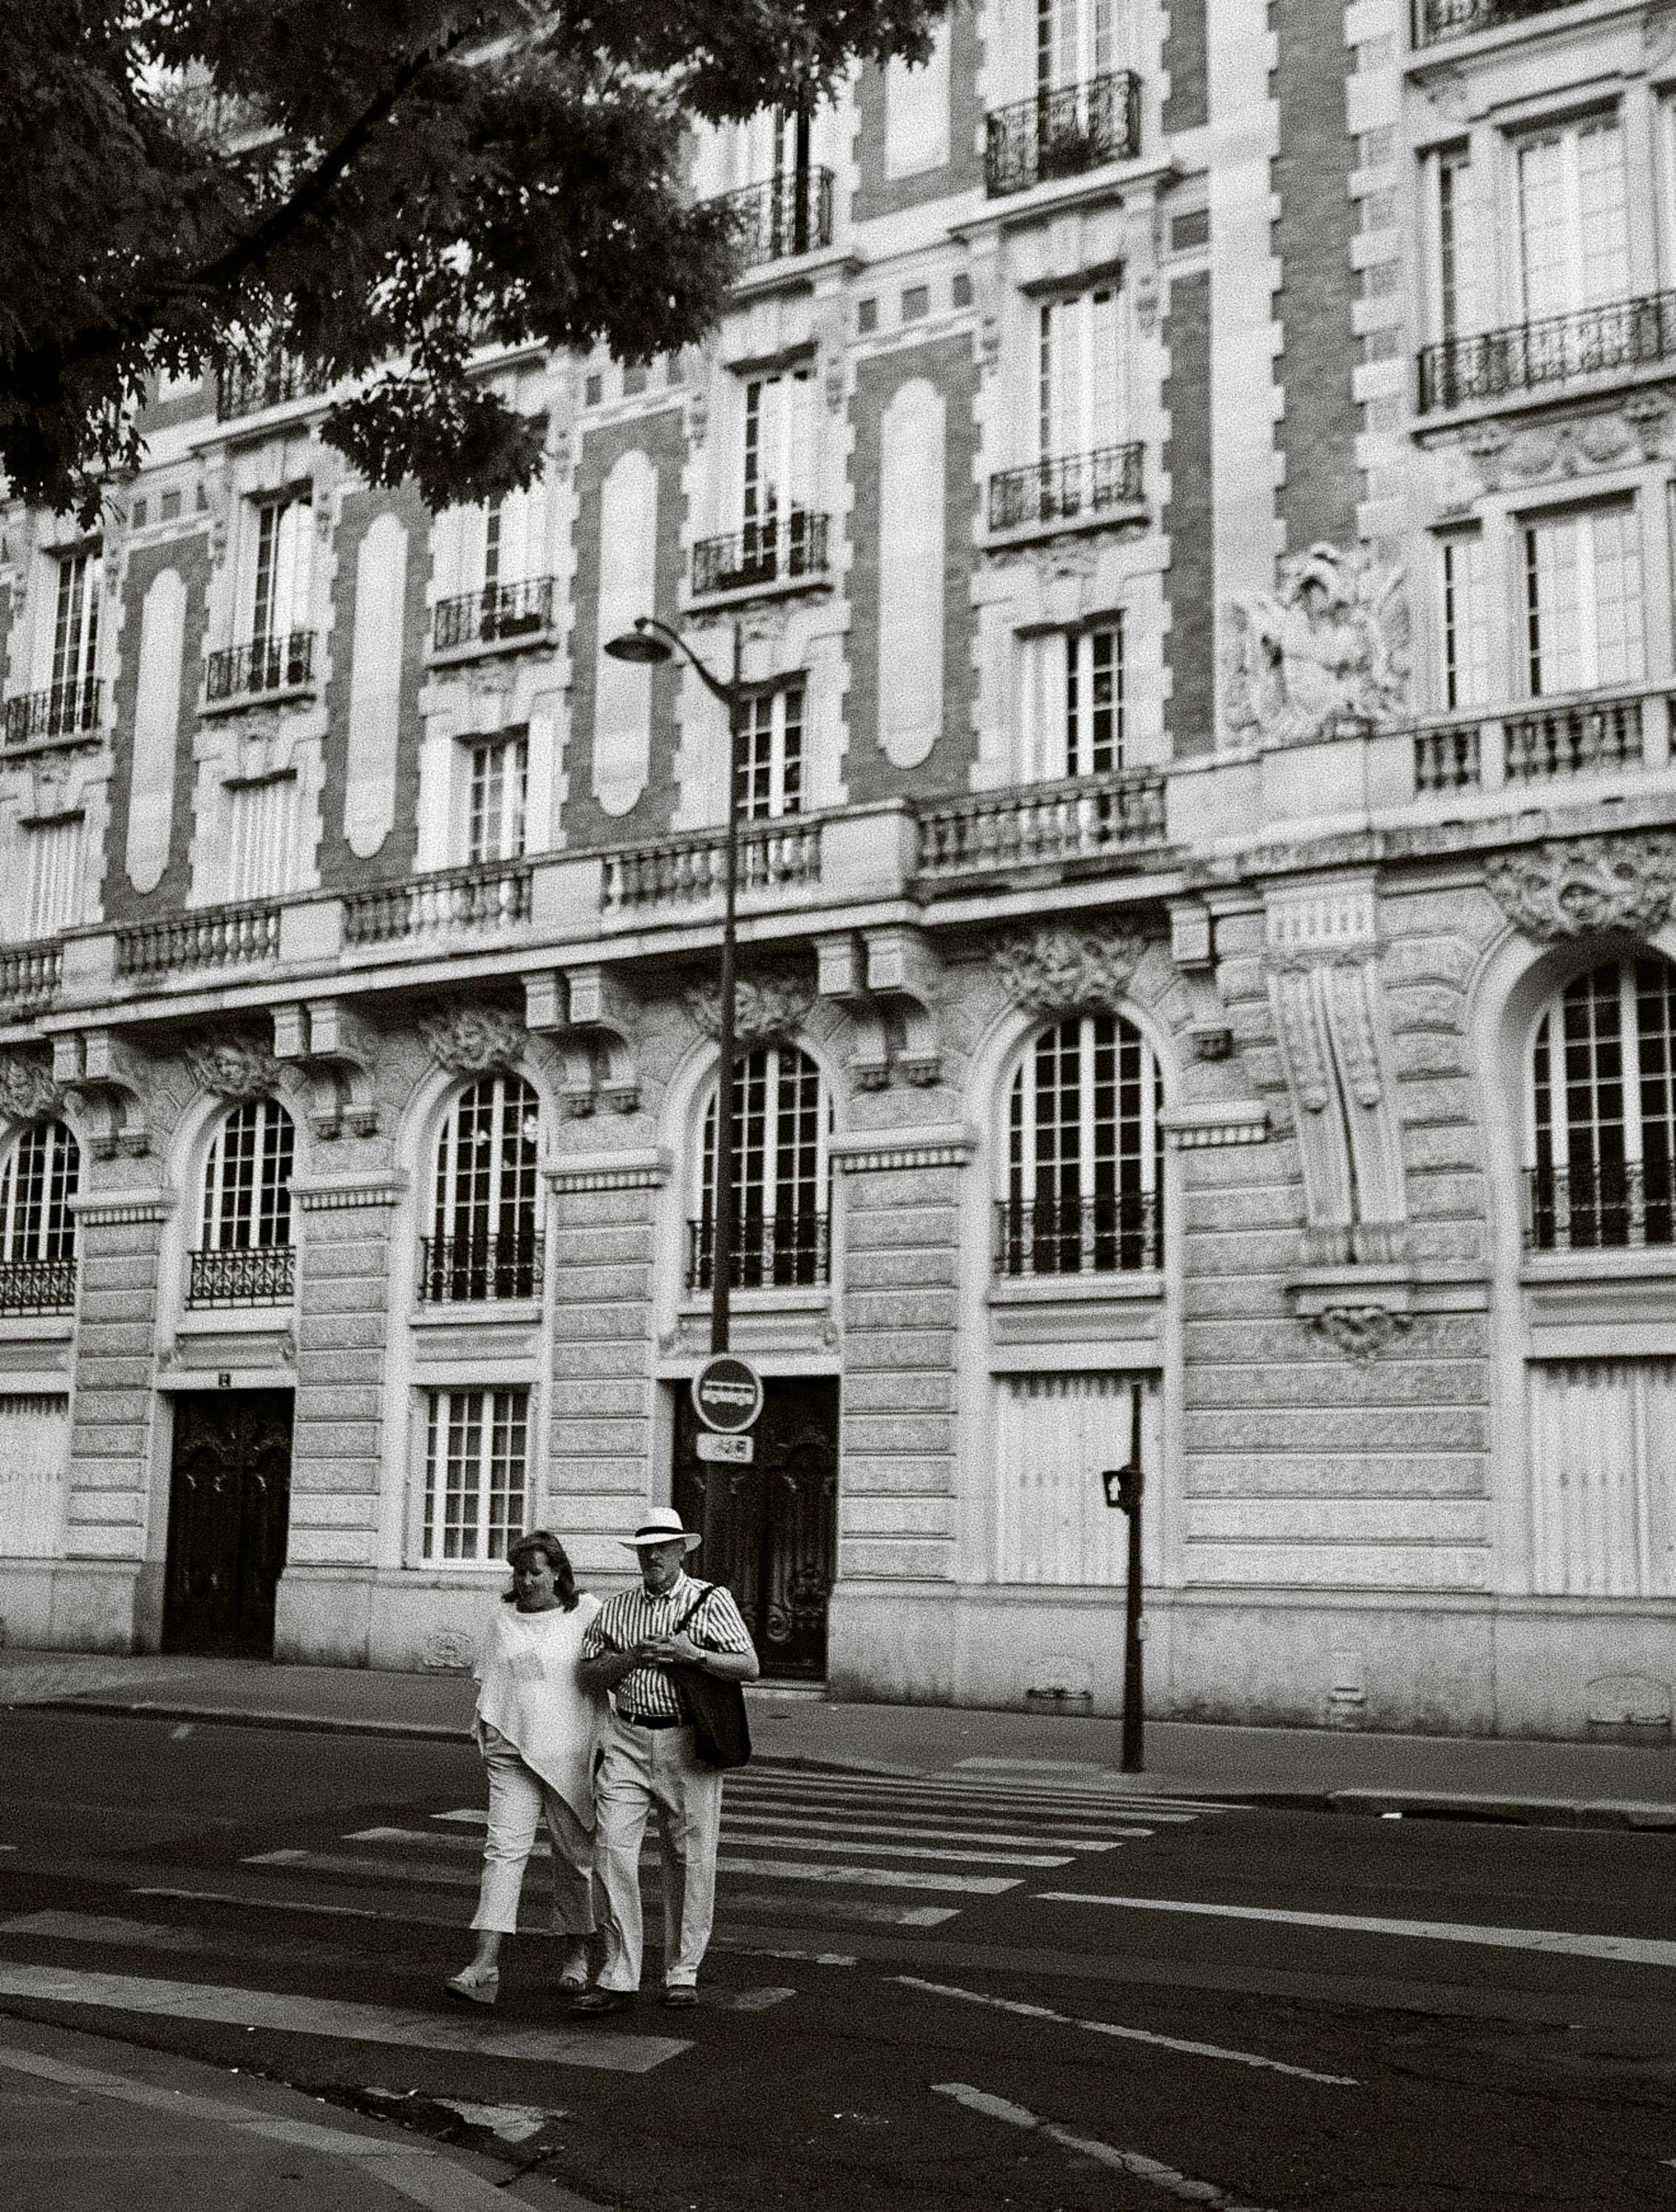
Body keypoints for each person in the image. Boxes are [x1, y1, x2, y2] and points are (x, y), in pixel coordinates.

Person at [572, 1506, 758, 2014]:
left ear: (681, 1551)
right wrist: (629, 1657)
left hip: (687, 1741)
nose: (653, 1557)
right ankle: (619, 1973)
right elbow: (588, 1674)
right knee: (610, 1851)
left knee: (690, 1858)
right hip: (627, 1737)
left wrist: (690, 1654)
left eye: (662, 1548)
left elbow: (748, 1665)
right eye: (645, 1549)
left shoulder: (710, 1600)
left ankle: (682, 1970)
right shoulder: (616, 1608)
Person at [444, 1530, 603, 2007]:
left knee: (573, 1858)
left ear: (558, 1573)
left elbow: (604, 1677)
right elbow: (490, 1680)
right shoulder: (502, 1617)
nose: (527, 1581)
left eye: (536, 1572)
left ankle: (577, 1951)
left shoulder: (586, 1613)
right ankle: (484, 1965)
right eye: (520, 1572)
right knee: (502, 1852)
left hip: (569, 1752)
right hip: (511, 1749)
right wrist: (490, 1730)